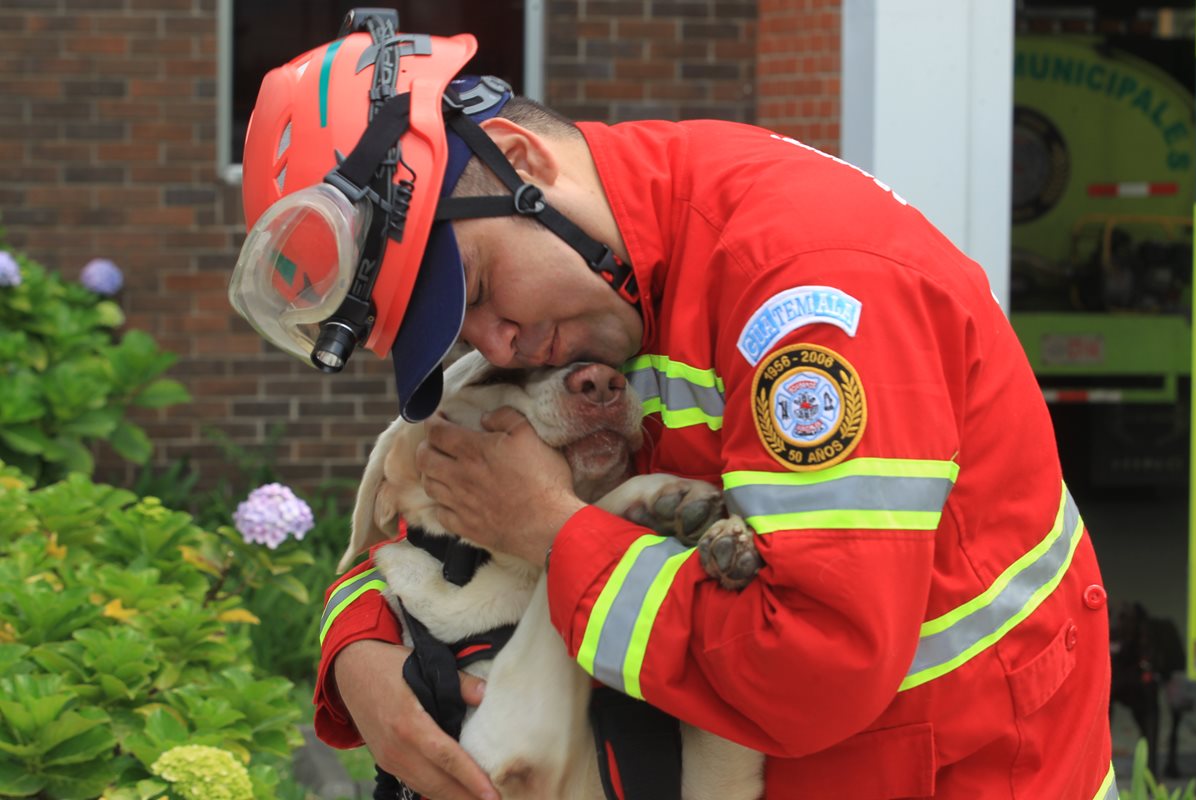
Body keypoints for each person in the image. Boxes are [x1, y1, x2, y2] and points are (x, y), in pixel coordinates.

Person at [232, 12, 1115, 800]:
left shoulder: (808, 294)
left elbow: (813, 667)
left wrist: (548, 529)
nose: (496, 346)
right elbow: (422, 499)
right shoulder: (592, 287)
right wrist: (359, 650)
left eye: (479, 290)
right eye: (455, 337)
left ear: (525, 162)